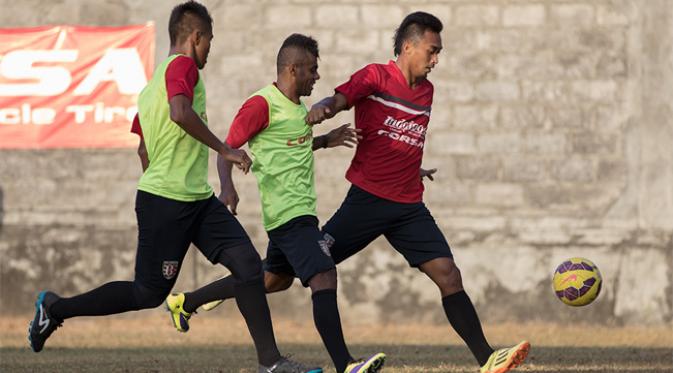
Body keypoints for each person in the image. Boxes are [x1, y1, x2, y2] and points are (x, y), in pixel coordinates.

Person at [165, 11, 531, 373]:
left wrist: (408, 166)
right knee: (283, 276)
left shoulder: (427, 92)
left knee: (448, 274)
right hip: (366, 204)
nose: (436, 60)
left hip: (408, 205)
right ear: (409, 46)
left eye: (439, 53)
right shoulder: (374, 76)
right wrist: (326, 107)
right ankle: (197, 300)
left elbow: (393, 137)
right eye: (432, 51)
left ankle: (487, 358)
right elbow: (342, 98)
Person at [28, 2, 319, 372]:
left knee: (247, 264)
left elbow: (143, 147)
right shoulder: (183, 67)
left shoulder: (150, 88)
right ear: (195, 37)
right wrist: (225, 150)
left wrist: (169, 178)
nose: (210, 49)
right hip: (168, 202)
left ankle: (272, 363)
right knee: (147, 293)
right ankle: (54, 308)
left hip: (194, 199)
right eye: (209, 41)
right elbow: (180, 113)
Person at [164, 33, 385, 373]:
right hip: (288, 217)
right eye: (312, 70)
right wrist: (227, 188)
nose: (317, 77)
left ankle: (186, 302)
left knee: (270, 281)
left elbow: (290, 147)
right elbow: (227, 151)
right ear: (293, 69)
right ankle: (346, 365)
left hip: (300, 216)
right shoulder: (261, 104)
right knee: (324, 275)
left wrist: (325, 140)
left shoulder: (297, 108)